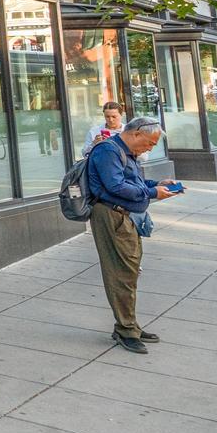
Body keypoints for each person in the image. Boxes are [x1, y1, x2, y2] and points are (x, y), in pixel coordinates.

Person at [82, 115, 181, 353]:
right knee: (121, 273)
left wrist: (157, 184)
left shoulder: (126, 151)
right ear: (136, 133)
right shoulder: (108, 150)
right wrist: (152, 193)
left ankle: (130, 324)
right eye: (149, 143)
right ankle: (126, 329)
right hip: (112, 216)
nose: (150, 148)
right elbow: (115, 186)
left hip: (127, 217)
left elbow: (133, 181)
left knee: (129, 270)